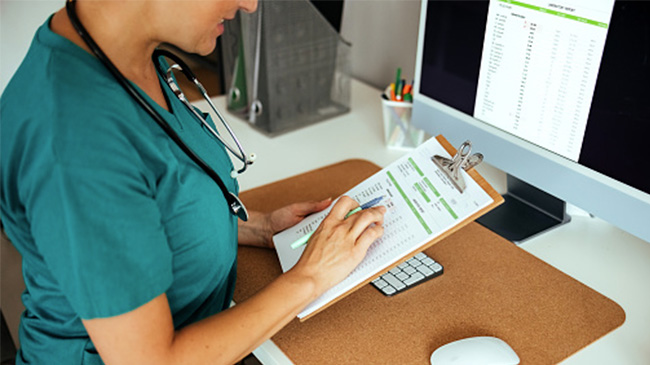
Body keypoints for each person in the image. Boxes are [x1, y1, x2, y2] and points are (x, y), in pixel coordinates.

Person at [0, 0, 386, 363]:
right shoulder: (76, 141)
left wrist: (261, 228)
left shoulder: (128, 55)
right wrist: (311, 277)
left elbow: (156, 202)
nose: (251, 5)